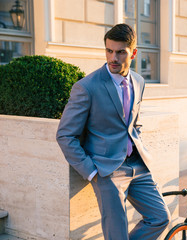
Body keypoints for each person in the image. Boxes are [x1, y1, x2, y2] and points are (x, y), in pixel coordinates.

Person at [56, 23, 170, 240]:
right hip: (107, 171)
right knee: (117, 234)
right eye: (109, 51)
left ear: (133, 53)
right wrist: (92, 172)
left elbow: (133, 123)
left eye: (120, 52)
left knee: (160, 217)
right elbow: (65, 135)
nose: (113, 58)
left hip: (137, 164)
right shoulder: (87, 87)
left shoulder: (138, 81)